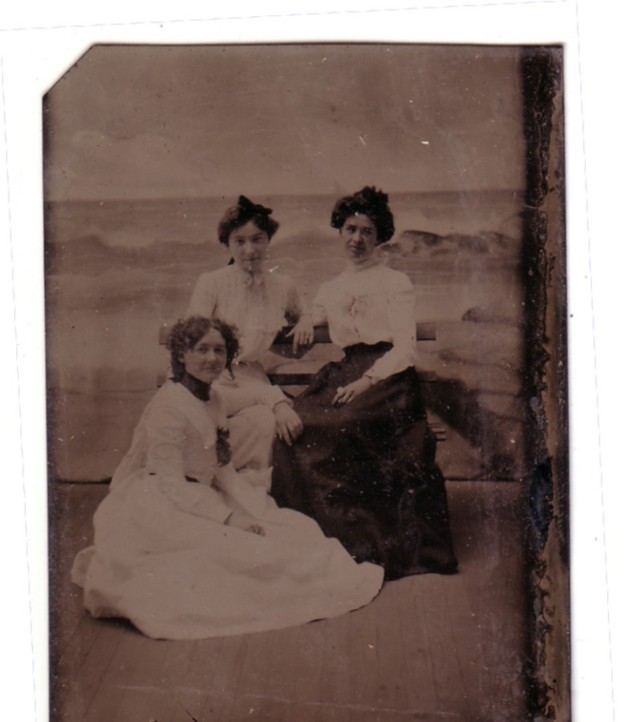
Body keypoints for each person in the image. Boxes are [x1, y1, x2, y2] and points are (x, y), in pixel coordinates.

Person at [71, 316, 383, 641]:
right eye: (201, 350)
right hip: (164, 505)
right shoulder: (168, 407)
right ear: (181, 355)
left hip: (203, 495)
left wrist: (247, 506)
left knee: (288, 530)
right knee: (239, 557)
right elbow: (171, 485)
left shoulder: (212, 397)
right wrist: (230, 519)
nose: (211, 359)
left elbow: (230, 444)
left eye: (219, 351)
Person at [271, 186, 458, 580]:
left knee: (339, 426)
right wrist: (307, 320)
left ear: (379, 238)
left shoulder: (395, 282)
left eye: (367, 232)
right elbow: (316, 312)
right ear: (340, 232)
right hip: (345, 371)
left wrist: (365, 382)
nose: (357, 239)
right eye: (350, 229)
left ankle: (363, 542)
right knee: (293, 429)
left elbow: (406, 349)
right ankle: (313, 539)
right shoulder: (331, 287)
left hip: (387, 378)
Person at [185, 196, 304, 479]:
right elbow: (192, 338)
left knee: (265, 421)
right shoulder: (211, 282)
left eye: (258, 239)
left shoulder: (283, 286)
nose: (250, 250)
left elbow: (303, 313)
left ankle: (252, 493)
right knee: (266, 411)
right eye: (240, 241)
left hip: (250, 378)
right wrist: (277, 399)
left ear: (268, 241)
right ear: (227, 244)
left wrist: (307, 321)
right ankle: (211, 483)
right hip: (208, 375)